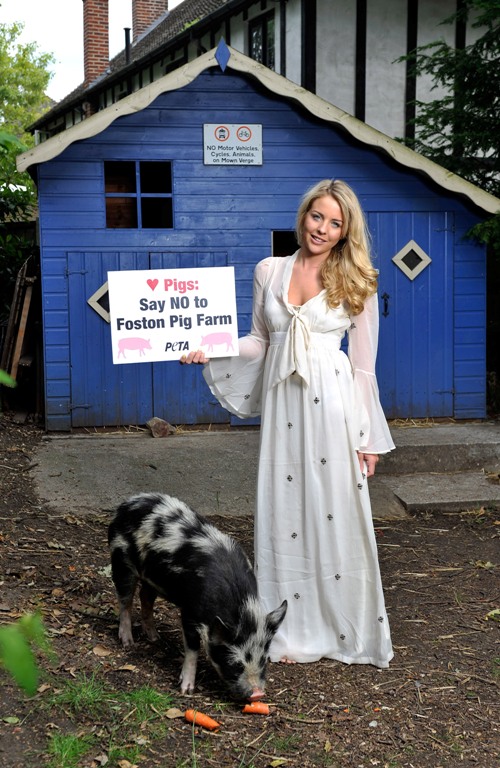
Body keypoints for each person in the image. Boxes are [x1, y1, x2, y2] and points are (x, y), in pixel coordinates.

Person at [181, 179, 395, 668]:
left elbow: (364, 367)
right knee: (285, 510)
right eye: (317, 216)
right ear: (303, 216)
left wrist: (369, 438)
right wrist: (212, 346)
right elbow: (260, 341)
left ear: (345, 232)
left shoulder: (358, 278)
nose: (323, 228)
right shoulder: (270, 270)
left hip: (333, 409)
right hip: (285, 409)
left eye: (335, 222)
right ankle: (287, 627)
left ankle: (340, 623)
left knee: (336, 509)